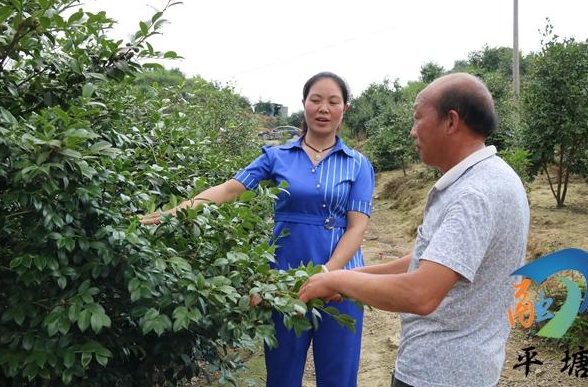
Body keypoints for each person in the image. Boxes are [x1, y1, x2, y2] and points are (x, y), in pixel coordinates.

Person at [141, 72, 375, 387]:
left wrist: (328, 275)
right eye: (316, 100)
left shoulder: (358, 164)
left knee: (339, 377)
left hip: (342, 280)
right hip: (283, 282)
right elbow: (229, 190)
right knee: (282, 375)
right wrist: (177, 212)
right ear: (304, 104)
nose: (323, 108)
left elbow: (357, 227)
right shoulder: (276, 157)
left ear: (344, 109)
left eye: (333, 102)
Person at [298, 73, 530, 387]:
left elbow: (420, 294)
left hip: (439, 374)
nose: (412, 131)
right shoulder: (494, 176)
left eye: (418, 118)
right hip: (463, 367)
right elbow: (429, 260)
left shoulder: (473, 195)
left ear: (451, 122)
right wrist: (352, 277)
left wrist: (338, 278)